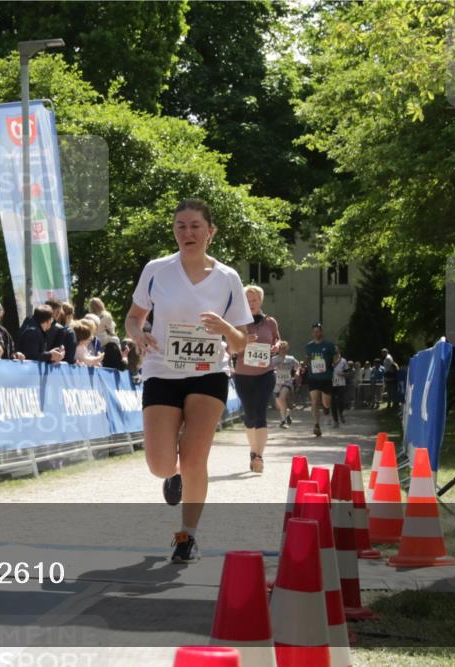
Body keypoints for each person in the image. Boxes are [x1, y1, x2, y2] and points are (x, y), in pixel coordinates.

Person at [124, 199, 252, 563]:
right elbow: (134, 317)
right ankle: (172, 475)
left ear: (210, 232)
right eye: (181, 226)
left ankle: (187, 536)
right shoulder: (156, 270)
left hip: (208, 374)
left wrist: (225, 327)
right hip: (162, 372)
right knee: (160, 464)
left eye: (195, 226)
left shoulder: (228, 278)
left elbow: (241, 340)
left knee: (196, 458)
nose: (188, 233)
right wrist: (139, 335)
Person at [232, 285, 281, 473]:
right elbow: (231, 349)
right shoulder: (238, 323)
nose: (251, 304)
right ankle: (253, 451)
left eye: (254, 300)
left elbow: (277, 339)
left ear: (260, 301)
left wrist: (276, 346)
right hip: (244, 374)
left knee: (261, 413)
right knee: (249, 415)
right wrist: (244, 342)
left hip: (265, 374)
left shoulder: (270, 322)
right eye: (247, 300)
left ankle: (259, 456)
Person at [305, 323, 336, 436]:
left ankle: (327, 409)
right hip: (313, 377)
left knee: (326, 403)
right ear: (312, 333)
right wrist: (308, 365)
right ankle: (316, 425)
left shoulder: (329, 345)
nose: (316, 333)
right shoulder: (309, 346)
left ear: (321, 332)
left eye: (318, 331)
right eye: (314, 331)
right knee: (314, 402)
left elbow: (337, 356)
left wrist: (334, 363)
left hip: (326, 377)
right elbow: (308, 358)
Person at [272, 341, 298, 428]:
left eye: (284, 348)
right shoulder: (274, 359)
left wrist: (297, 372)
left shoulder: (291, 359)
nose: (282, 350)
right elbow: (267, 367)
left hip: (287, 382)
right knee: (279, 405)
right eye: (280, 348)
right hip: (277, 383)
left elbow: (297, 366)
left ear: (287, 349)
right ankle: (287, 415)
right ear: (278, 349)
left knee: (282, 397)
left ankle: (283, 422)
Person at [331, 346, 348, 427]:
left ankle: (341, 412)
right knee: (333, 402)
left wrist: (343, 374)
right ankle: (335, 421)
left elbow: (347, 373)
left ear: (339, 351)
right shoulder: (329, 360)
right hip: (331, 384)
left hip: (341, 384)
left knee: (341, 401)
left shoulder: (343, 361)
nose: (335, 351)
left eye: (336, 350)